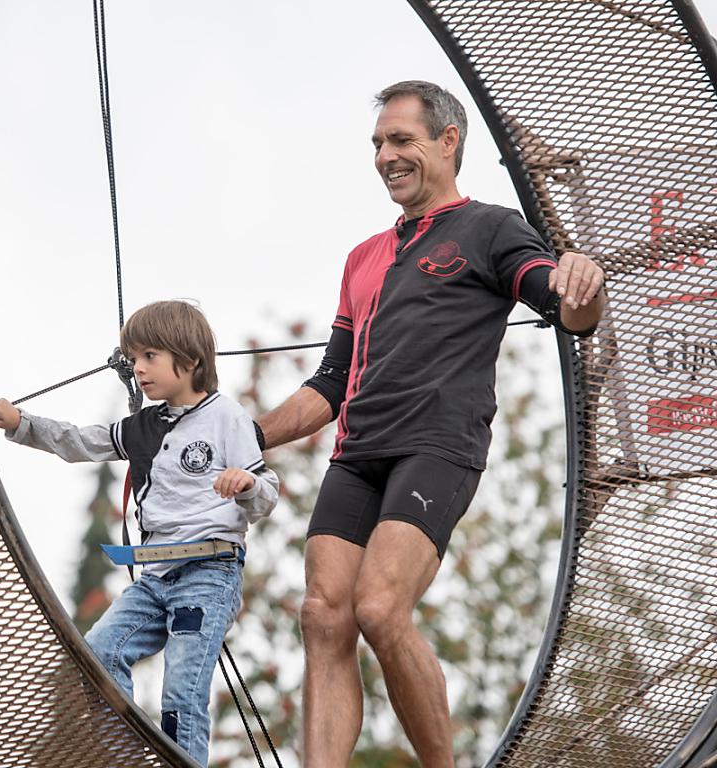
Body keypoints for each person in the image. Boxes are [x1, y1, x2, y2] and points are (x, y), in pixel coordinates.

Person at [255, 81, 605, 767]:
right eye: (378, 144)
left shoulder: (491, 228)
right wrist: (244, 436)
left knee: (380, 608)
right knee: (323, 614)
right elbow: (330, 383)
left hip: (437, 448)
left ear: (448, 142)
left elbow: (568, 311)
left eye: (401, 140)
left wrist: (583, 284)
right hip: (358, 454)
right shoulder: (362, 257)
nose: (385, 156)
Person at [0, 300, 279, 766]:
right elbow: (82, 442)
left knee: (181, 690)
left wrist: (247, 484)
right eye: (134, 358)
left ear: (190, 359)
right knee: (98, 654)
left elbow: (266, 494)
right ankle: (127, 759)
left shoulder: (227, 418)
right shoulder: (143, 427)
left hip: (207, 572)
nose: (138, 368)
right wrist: (22, 424)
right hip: (155, 578)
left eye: (149, 357)